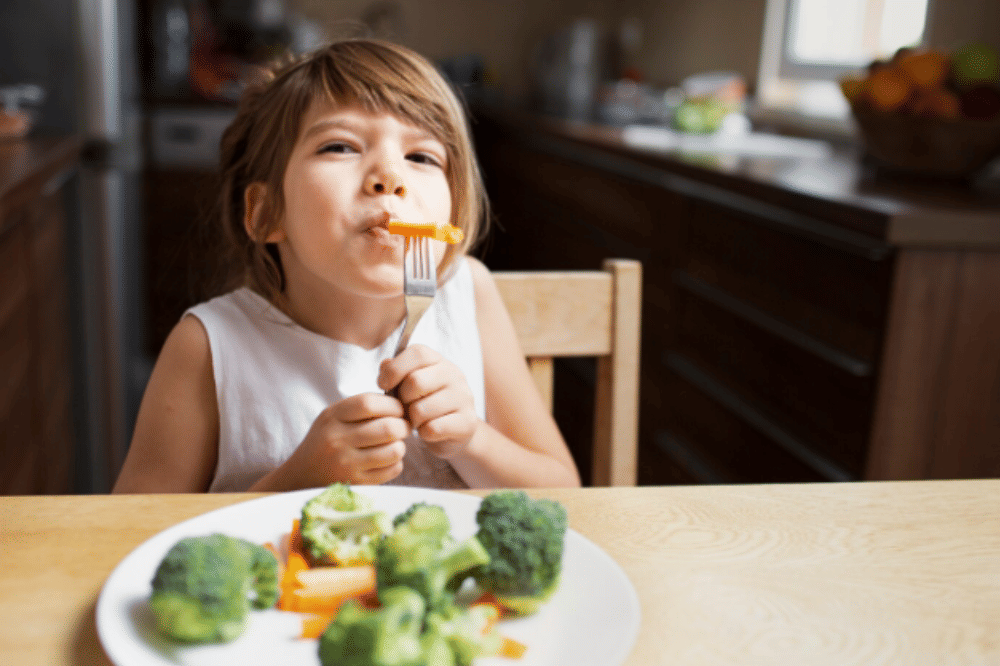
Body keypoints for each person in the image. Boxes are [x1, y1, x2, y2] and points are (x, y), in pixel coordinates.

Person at [113, 39, 581, 493]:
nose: (391, 177)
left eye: (421, 156)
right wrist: (294, 482)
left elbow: (565, 489)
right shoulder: (209, 346)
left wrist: (472, 440)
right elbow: (127, 532)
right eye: (340, 146)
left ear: (453, 214)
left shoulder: (466, 292)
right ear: (266, 212)